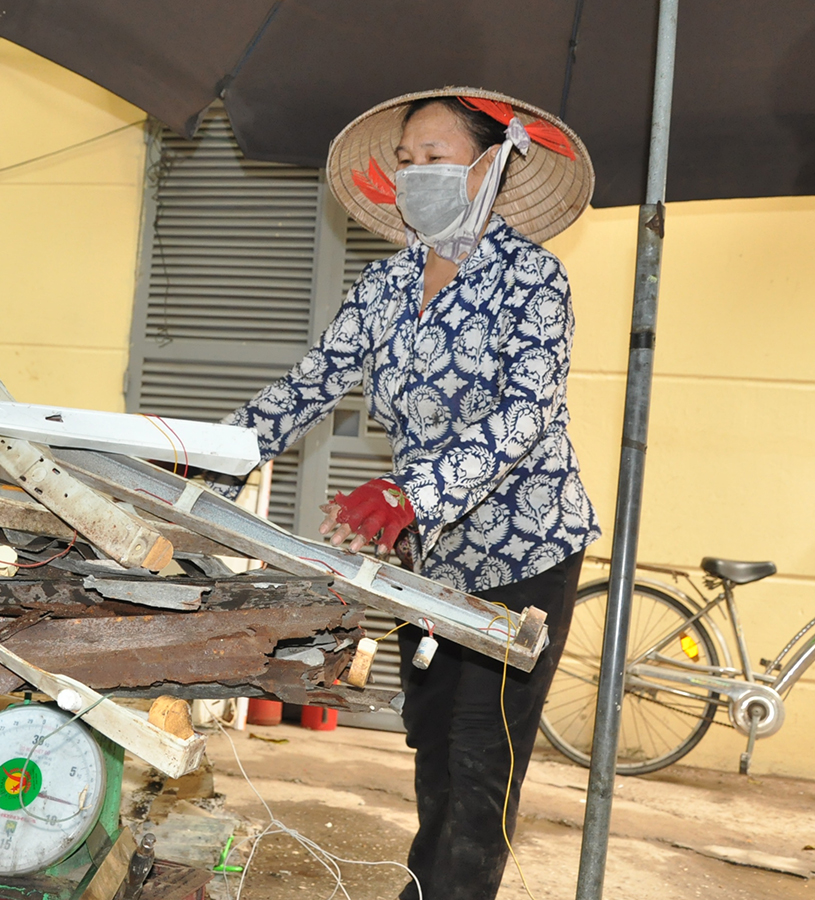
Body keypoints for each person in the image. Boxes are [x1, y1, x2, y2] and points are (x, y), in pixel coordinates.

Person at [218, 89, 599, 900]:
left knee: (479, 756)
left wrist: (408, 492)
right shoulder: (385, 285)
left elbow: (527, 416)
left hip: (524, 551)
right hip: (431, 559)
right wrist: (208, 453)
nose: (416, 172)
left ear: (490, 163)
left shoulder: (534, 282)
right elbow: (312, 383)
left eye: (436, 157)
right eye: (407, 159)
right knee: (429, 738)